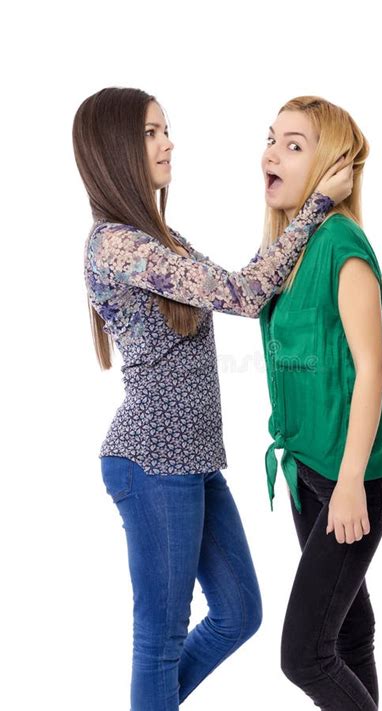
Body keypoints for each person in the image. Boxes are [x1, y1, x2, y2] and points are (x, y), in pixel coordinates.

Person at [72, 86, 353, 711]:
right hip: (151, 462)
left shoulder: (161, 237)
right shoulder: (116, 246)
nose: (168, 142)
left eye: (164, 129)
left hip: (193, 460)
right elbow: (245, 296)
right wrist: (315, 209)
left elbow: (242, 282)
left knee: (240, 612)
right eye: (150, 133)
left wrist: (304, 212)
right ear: (114, 149)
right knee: (160, 642)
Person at [258, 96, 382, 710]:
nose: (271, 152)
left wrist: (348, 484)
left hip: (353, 477)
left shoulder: (342, 244)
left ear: (330, 169)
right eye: (270, 139)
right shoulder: (289, 250)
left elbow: (372, 369)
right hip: (307, 470)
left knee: (303, 656)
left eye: (295, 144)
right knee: (346, 631)